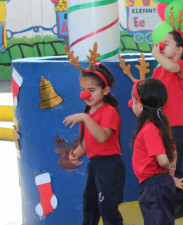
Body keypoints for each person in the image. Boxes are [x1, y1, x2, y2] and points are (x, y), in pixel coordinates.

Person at [63, 64, 124, 225]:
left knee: (107, 208)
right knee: (89, 206)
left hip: (109, 166)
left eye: (91, 90)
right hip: (95, 166)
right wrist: (74, 154)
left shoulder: (109, 111)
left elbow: (103, 137)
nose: (85, 94)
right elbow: (87, 142)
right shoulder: (88, 113)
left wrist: (85, 119)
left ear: (105, 90)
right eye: (83, 89)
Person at [151, 30, 183, 218]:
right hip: (158, 124)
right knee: (161, 163)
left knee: (177, 164)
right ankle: (164, 199)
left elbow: (170, 67)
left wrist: (155, 54)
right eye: (161, 42)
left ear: (179, 49)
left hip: (176, 124)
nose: (161, 45)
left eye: (167, 43)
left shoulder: (181, 65)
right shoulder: (157, 70)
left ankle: (181, 203)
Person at [129, 78, 183, 225]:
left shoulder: (149, 129)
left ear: (141, 106)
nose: (132, 105)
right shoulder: (158, 125)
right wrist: (170, 177)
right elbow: (173, 151)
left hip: (153, 186)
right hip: (155, 183)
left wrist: (168, 171)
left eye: (134, 101)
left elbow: (162, 160)